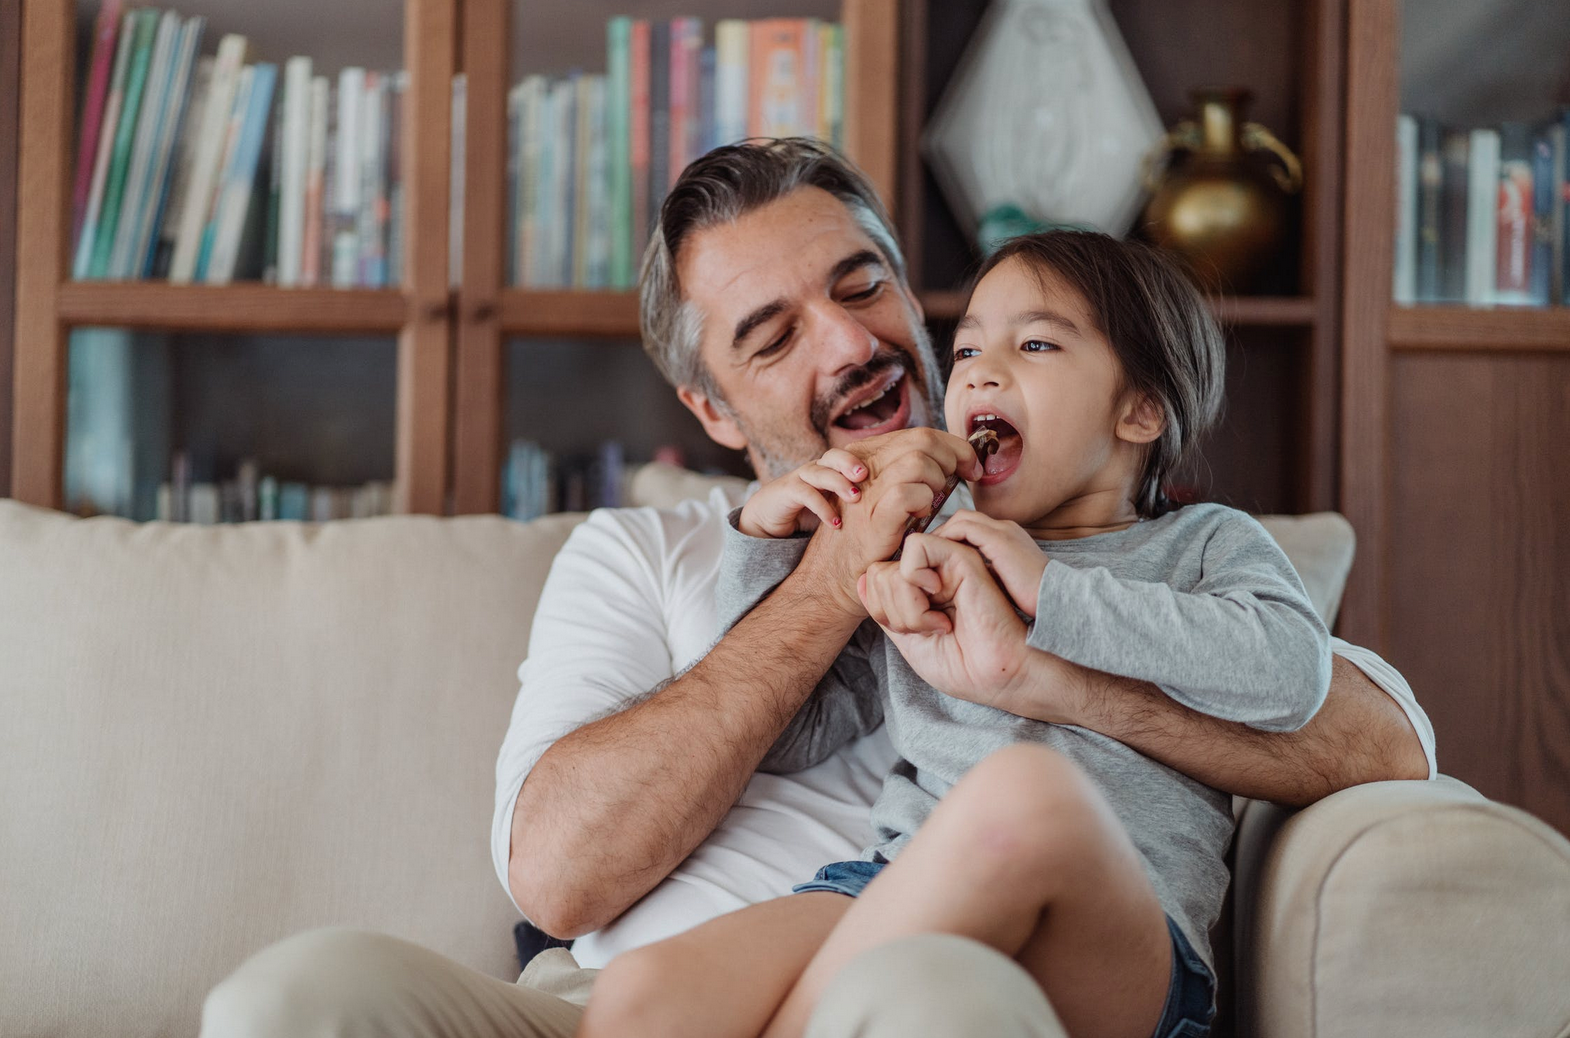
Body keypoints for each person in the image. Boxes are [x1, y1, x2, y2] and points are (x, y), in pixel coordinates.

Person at [200, 140, 1435, 1038]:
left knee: (970, 905)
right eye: (772, 335)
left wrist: (1036, 655)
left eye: (861, 289)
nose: (850, 346)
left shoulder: (1135, 542)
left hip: (971, 975)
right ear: (710, 411)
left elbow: (1376, 740)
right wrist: (817, 569)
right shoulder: (647, 556)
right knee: (291, 1001)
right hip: (724, 960)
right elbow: (563, 876)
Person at [577, 229, 1329, 1038]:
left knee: (1023, 796)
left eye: (1035, 343)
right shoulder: (930, 545)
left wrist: (1051, 592)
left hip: (1124, 940)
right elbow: (793, 735)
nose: (981, 370)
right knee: (645, 993)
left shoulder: (1205, 544)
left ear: (1141, 408)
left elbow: (1292, 675)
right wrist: (768, 545)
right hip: (898, 886)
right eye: (966, 348)